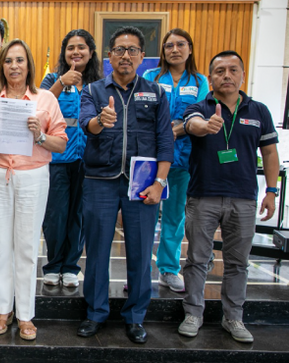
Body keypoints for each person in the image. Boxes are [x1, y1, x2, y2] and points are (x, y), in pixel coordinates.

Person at [77, 26, 173, 344]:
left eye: (132, 50)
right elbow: (86, 125)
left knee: (141, 252)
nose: (126, 55)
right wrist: (100, 121)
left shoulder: (156, 93)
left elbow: (165, 141)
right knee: (98, 251)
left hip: (142, 185)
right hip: (99, 182)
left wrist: (160, 182)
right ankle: (95, 313)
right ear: (109, 56)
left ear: (143, 57)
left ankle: (135, 317)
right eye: (119, 49)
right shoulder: (93, 90)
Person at [177, 50, 279, 343]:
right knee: (197, 259)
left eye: (233, 70)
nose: (227, 76)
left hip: (244, 198)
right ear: (210, 78)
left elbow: (270, 152)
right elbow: (191, 124)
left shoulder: (258, 111)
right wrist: (204, 126)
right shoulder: (199, 106)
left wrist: (271, 191)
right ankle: (193, 313)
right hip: (203, 196)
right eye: (220, 71)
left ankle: (233, 317)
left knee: (238, 263)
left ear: (242, 75)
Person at [0, 39, 67, 341]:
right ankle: (3, 309)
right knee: (2, 244)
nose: (14, 66)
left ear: (29, 65)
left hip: (32, 175)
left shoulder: (45, 100)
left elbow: (61, 143)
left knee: (25, 246)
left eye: (20, 60)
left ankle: (25, 314)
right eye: (9, 61)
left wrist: (39, 136)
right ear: (2, 66)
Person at [143, 29, 209, 293]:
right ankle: (138, 273)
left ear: (190, 49)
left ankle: (169, 270)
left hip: (183, 159)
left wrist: (178, 130)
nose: (174, 50)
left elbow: (202, 114)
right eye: (169, 45)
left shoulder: (200, 81)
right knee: (145, 216)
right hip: (151, 158)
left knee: (174, 217)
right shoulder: (151, 77)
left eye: (180, 45)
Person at [40, 29, 102, 288]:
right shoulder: (52, 79)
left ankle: (71, 267)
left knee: (79, 214)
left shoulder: (99, 84)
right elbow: (39, 106)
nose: (76, 52)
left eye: (81, 47)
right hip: (56, 158)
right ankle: (53, 264)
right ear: (64, 53)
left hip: (88, 160)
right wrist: (61, 83)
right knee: (55, 214)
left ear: (90, 52)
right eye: (70, 48)